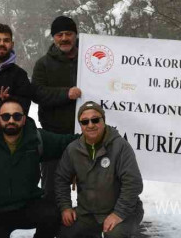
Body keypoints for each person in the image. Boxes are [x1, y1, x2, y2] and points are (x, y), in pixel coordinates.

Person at [0, 98, 78, 238]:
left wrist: (97, 134)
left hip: (27, 207)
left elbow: (67, 142)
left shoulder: (36, 138)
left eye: (16, 116)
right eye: (6, 116)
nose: (11, 120)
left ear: (23, 119)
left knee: (52, 214)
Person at [56, 102, 144, 238]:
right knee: (66, 232)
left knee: (114, 235)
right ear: (81, 125)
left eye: (95, 120)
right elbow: (61, 179)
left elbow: (133, 183)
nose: (90, 125)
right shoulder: (73, 149)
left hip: (123, 211)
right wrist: (65, 207)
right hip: (87, 213)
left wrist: (118, 214)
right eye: (85, 122)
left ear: (103, 120)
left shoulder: (120, 146)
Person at [32, 16, 84, 203]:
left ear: (75, 35)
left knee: (90, 191)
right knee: (51, 193)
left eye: (68, 34)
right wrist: (65, 94)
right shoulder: (43, 64)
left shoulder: (89, 60)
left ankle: (83, 230)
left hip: (85, 136)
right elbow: (37, 93)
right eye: (59, 34)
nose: (64, 38)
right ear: (53, 37)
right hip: (52, 137)